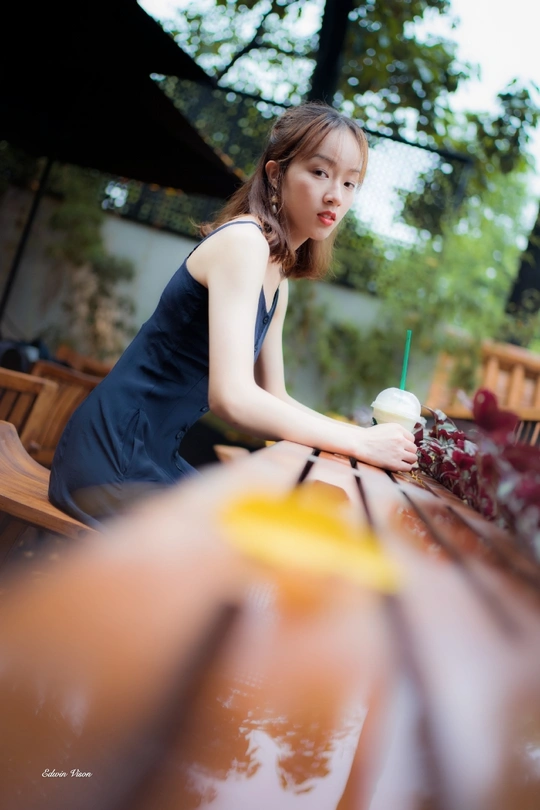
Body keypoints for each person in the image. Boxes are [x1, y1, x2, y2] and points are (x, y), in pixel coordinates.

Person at [49, 102, 417, 528]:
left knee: (268, 532)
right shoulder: (245, 242)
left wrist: (363, 439)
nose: (336, 194)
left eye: (351, 182)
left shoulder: (277, 275)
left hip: (150, 457)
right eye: (320, 172)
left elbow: (273, 396)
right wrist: (360, 442)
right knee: (247, 548)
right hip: (110, 460)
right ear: (275, 174)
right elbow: (232, 398)